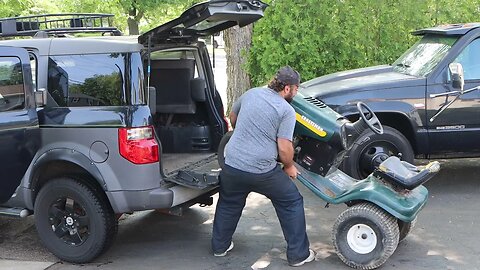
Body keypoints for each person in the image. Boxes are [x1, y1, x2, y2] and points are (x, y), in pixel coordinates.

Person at [211, 66, 315, 267]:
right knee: (291, 201)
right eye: (296, 88)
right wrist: (289, 166)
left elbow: (233, 117)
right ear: (286, 88)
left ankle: (219, 247)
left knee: (229, 203)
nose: (296, 92)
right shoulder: (285, 110)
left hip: (232, 163)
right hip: (262, 171)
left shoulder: (251, 94)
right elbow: (284, 147)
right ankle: (298, 255)